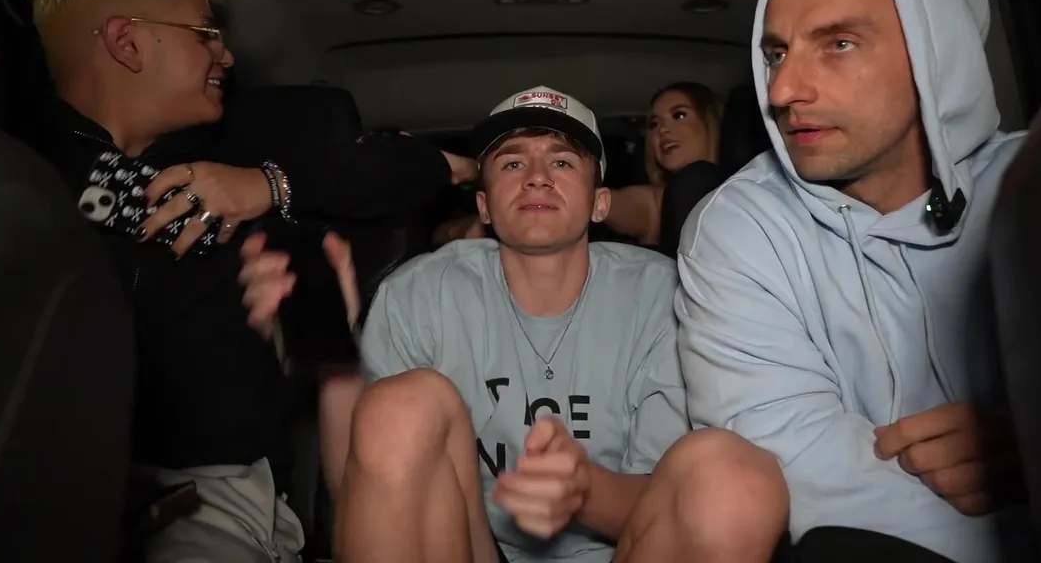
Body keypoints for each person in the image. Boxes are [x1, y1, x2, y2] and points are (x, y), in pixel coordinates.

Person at [18, 0, 477, 562]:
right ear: (127, 43)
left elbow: (400, 168)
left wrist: (266, 187)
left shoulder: (224, 148)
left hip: (256, 500)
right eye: (205, 34)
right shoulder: (19, 183)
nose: (226, 55)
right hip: (120, 502)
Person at [239, 85, 789, 562]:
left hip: (627, 550)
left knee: (733, 473)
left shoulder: (661, 294)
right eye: (512, 163)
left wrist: (582, 489)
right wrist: (332, 361)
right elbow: (365, 504)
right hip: (472, 547)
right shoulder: (420, 293)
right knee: (404, 402)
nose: (537, 178)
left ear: (600, 203)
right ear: (484, 205)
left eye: (563, 162)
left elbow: (676, 507)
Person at [671, 0, 1033, 562]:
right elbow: (795, 463)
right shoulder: (739, 228)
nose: (783, 91)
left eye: (838, 43)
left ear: (936, 55)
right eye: (776, 54)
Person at [433, 81, 722, 248]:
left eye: (679, 115)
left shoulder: (745, 189)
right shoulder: (657, 199)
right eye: (653, 124)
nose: (663, 131)